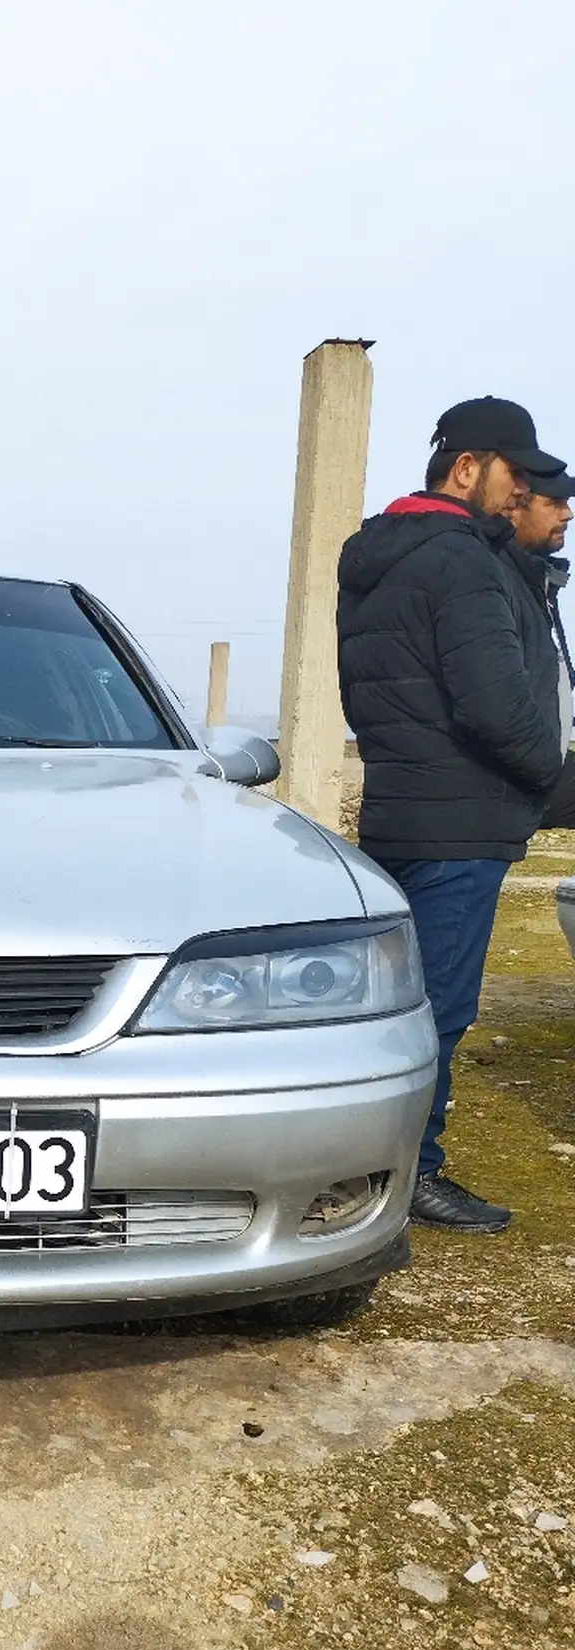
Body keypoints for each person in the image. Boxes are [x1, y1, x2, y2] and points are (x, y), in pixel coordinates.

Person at [338, 397, 566, 1234]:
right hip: (461, 822)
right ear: (466, 467)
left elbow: (372, 694)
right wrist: (555, 782)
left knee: (390, 1007)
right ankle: (410, 1177)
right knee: (438, 1011)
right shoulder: (462, 559)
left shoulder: (376, 554)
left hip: (401, 805)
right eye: (518, 475)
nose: (526, 498)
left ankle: (362, 1163)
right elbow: (497, 709)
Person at [504, 469, 575, 830]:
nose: (568, 513)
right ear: (515, 508)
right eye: (554, 503)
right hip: (503, 785)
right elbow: (494, 701)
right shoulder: (498, 580)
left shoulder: (536, 581)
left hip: (536, 770)